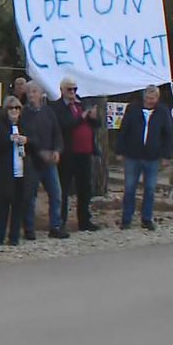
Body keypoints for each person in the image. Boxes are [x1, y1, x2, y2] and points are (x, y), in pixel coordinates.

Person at [116, 85, 173, 231]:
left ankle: (147, 218)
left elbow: (168, 134)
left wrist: (166, 155)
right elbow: (124, 129)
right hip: (133, 155)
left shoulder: (162, 111)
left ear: (157, 98)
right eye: (147, 98)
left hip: (152, 156)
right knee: (129, 188)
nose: (149, 101)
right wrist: (119, 150)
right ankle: (126, 218)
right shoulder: (133, 108)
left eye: (152, 98)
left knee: (150, 188)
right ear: (143, 97)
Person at [51, 77, 103, 232]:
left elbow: (96, 125)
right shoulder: (58, 107)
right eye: (69, 89)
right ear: (62, 90)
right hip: (68, 153)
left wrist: (93, 118)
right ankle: (61, 221)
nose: (73, 92)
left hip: (85, 152)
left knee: (85, 189)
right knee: (64, 188)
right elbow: (66, 125)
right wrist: (81, 117)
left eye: (75, 89)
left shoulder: (81, 104)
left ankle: (84, 220)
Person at [21, 81, 66, 239]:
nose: (32, 95)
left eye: (34, 92)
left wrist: (57, 150)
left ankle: (55, 226)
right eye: (29, 92)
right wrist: (40, 151)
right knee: (30, 196)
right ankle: (29, 228)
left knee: (56, 193)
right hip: (32, 160)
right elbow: (27, 137)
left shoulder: (48, 111)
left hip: (49, 161)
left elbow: (57, 133)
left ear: (41, 94)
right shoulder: (24, 113)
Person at [0, 96, 30, 246]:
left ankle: (14, 237)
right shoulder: (0, 126)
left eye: (17, 108)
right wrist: (9, 139)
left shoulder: (25, 125)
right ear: (6, 110)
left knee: (18, 206)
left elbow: (34, 142)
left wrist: (26, 140)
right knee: (2, 207)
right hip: (5, 173)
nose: (14, 111)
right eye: (11, 108)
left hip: (21, 172)